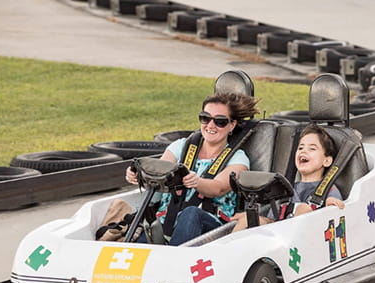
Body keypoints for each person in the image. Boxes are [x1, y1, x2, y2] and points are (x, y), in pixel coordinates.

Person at [126, 92, 259, 245]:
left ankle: (176, 262)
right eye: (205, 118)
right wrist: (138, 175)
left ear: (232, 125)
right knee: (138, 245)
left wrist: (197, 182)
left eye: (220, 121)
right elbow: (158, 171)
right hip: (166, 222)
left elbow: (219, 188)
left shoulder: (238, 158)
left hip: (212, 227)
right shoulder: (181, 146)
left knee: (191, 214)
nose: (210, 125)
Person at [231, 124, 345, 232]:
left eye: (312, 149)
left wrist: (331, 205)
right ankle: (229, 250)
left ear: (326, 161)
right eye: (300, 148)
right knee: (246, 219)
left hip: (309, 238)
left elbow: (335, 213)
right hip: (279, 235)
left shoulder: (330, 191)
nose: (304, 151)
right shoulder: (284, 188)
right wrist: (252, 218)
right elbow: (273, 220)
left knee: (303, 209)